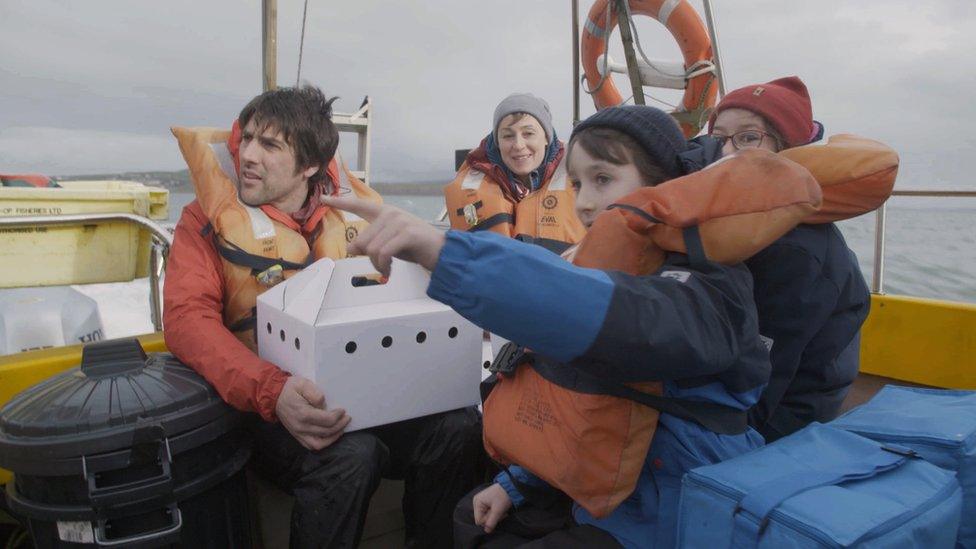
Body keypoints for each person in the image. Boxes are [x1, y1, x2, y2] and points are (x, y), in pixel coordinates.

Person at [323, 106, 810, 548]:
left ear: (666, 185)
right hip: (606, 493)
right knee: (470, 523)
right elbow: (580, 406)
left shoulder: (709, 285)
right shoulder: (605, 268)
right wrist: (516, 483)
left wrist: (442, 251)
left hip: (674, 511)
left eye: (604, 178)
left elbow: (624, 319)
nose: (584, 203)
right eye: (577, 184)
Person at [164, 85, 483, 548]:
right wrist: (271, 391)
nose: (247, 155)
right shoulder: (203, 221)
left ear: (310, 165)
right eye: (246, 138)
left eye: (270, 145)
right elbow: (186, 321)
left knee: (461, 426)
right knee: (353, 452)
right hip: (265, 410)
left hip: (372, 394)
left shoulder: (357, 215)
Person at [708, 76, 871, 442]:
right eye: (718, 139)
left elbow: (762, 377)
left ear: (788, 150)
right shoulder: (742, 223)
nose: (726, 154)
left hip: (786, 421)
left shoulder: (795, 249)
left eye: (748, 138)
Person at [444, 93, 585, 254]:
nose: (518, 145)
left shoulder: (580, 178)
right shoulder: (474, 181)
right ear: (497, 142)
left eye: (528, 133)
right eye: (508, 136)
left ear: (546, 138)